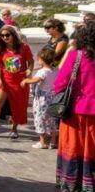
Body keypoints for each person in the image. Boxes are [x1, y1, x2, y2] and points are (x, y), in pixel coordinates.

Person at [55, 21, 95, 192]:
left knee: (73, 148)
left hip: (76, 112)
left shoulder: (76, 56)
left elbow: (60, 84)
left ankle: (72, 184)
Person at [0, 26, 33, 139]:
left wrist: (29, 70)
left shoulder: (23, 47)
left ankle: (14, 129)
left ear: (13, 35)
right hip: (5, 80)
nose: (5, 37)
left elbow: (31, 62)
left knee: (17, 106)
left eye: (7, 35)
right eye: (2, 35)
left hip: (20, 81)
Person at [20, 49, 58, 149]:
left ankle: (42, 142)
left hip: (42, 99)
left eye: (39, 59)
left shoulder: (43, 72)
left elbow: (37, 79)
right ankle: (53, 142)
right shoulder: (55, 70)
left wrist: (27, 80)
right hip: (52, 98)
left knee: (40, 119)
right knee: (52, 120)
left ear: (42, 60)